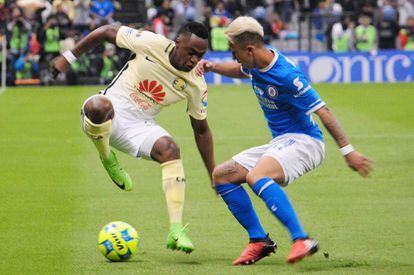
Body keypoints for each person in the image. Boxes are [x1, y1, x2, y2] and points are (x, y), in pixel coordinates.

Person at [196, 16, 373, 265]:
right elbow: (240, 70)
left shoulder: (287, 75)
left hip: (305, 142)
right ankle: (259, 241)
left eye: (233, 51)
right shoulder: (256, 61)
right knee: (222, 175)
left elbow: (324, 111)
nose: (232, 56)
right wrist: (213, 66)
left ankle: (302, 239)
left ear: (248, 49)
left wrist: (348, 151)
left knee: (256, 176)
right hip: (281, 141)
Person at [52, 22, 215, 253]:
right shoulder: (151, 43)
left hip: (141, 127)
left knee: (170, 149)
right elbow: (107, 31)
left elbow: (202, 130)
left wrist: (213, 174)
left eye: (200, 55)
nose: (194, 60)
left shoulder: (196, 83)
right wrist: (68, 57)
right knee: (98, 106)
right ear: (177, 42)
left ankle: (176, 230)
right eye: (191, 52)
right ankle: (107, 157)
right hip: (111, 112)